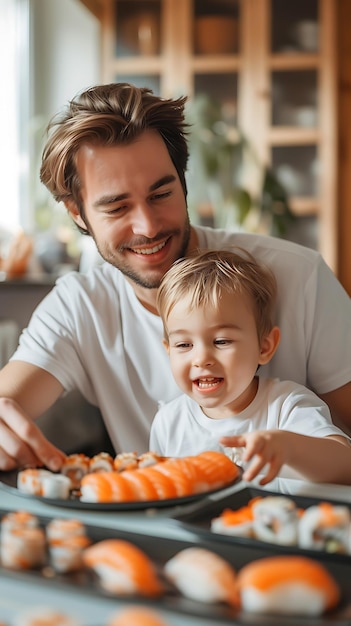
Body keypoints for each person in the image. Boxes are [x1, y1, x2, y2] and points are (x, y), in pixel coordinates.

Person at [0, 82, 350, 472]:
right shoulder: (79, 305)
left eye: (160, 194)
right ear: (77, 213)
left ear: (182, 182)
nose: (147, 227)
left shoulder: (299, 277)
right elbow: (7, 400)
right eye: (116, 208)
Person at [150, 249, 351, 485]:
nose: (201, 359)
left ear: (264, 347)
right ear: (168, 350)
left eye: (221, 341)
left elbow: (345, 466)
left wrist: (287, 446)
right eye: (184, 344)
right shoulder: (168, 422)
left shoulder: (285, 405)